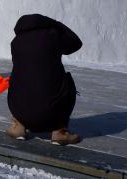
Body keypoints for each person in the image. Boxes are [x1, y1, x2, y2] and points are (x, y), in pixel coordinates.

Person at [6, 14, 82, 145]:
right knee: (65, 81)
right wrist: (57, 24)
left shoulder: (16, 41)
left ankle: (19, 126)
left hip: (21, 109)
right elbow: (75, 44)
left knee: (21, 77)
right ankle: (59, 132)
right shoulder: (53, 35)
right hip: (51, 112)